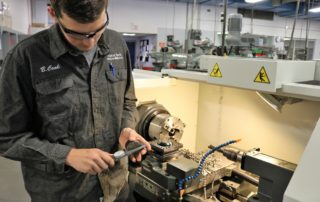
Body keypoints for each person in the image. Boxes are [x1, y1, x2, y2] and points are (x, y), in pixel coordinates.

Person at [0, 0, 151, 201]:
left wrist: (126, 128)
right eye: (76, 33)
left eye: (97, 30)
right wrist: (66, 156)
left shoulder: (116, 43)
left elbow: (128, 101)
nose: (89, 42)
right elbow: (7, 138)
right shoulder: (25, 57)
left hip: (117, 185)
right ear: (53, 13)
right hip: (63, 193)